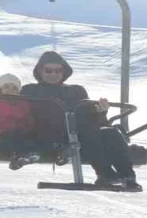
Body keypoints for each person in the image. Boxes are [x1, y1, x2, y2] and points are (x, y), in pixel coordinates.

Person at [20, 52, 140, 190]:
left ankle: (128, 177)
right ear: (40, 71)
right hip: (48, 137)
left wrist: (101, 112)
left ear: (64, 71)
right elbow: (15, 109)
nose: (53, 74)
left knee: (111, 133)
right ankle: (106, 172)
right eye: (48, 70)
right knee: (85, 130)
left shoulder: (76, 90)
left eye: (58, 70)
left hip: (80, 137)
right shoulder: (30, 90)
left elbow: (91, 118)